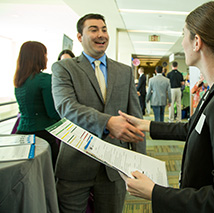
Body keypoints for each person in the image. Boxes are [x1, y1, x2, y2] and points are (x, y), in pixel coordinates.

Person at [118, 2, 214, 212]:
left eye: (183, 34)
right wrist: (145, 125)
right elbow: (192, 129)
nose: (182, 42)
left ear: (196, 42)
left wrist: (154, 192)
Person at [51, 13, 146, 213]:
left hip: (114, 168)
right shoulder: (63, 68)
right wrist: (107, 122)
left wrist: (140, 163)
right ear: (79, 37)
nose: (101, 34)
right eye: (93, 29)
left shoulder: (124, 71)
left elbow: (136, 119)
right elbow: (66, 107)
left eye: (104, 29)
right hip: (75, 164)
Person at [13, 41, 60, 169]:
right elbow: (52, 112)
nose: (46, 57)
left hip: (21, 134)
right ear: (39, 57)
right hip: (42, 137)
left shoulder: (19, 81)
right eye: (45, 54)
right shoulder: (44, 79)